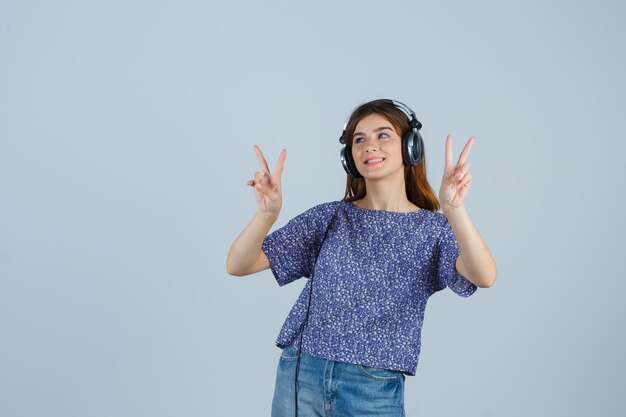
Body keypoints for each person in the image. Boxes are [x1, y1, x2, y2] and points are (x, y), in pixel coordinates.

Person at [226, 99, 497, 417]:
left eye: (383, 135)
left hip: (372, 386)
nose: (370, 146)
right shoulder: (331, 217)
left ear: (410, 147)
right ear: (349, 157)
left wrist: (455, 211)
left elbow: (484, 276)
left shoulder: (433, 230)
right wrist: (266, 216)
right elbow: (238, 265)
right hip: (301, 372)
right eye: (359, 139)